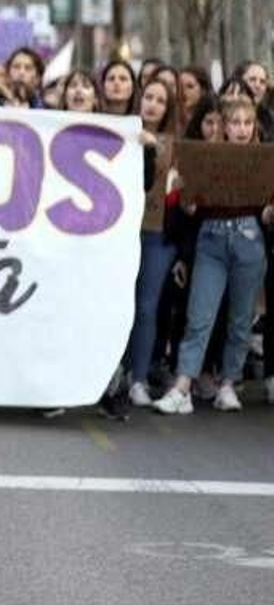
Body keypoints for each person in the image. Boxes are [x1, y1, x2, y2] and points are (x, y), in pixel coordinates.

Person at [153, 96, 273, 414]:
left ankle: (229, 384)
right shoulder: (206, 157)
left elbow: (266, 210)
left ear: (254, 127)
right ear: (224, 127)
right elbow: (189, 207)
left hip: (249, 239)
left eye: (248, 123)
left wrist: (269, 212)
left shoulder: (264, 160)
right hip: (211, 239)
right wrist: (185, 199)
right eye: (235, 122)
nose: (242, 129)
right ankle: (182, 387)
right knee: (199, 316)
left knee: (241, 319)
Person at [126, 77, 180, 405]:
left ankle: (139, 379)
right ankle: (114, 373)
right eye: (149, 97)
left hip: (158, 236)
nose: (153, 105)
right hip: (122, 233)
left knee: (146, 307)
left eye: (161, 101)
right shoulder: (120, 133)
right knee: (120, 303)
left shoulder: (175, 146)